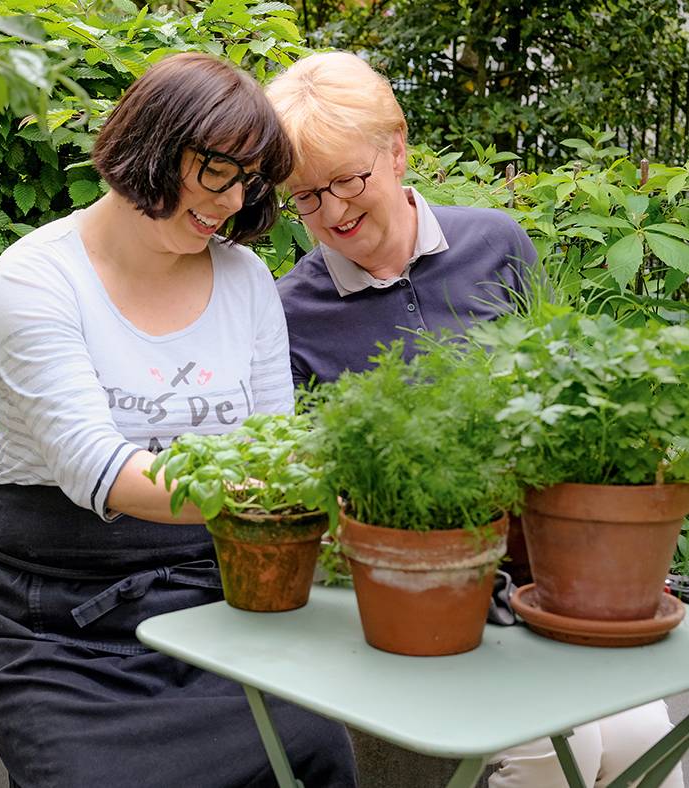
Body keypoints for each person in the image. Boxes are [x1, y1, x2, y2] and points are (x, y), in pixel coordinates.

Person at [266, 50, 683, 788]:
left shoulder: (498, 246)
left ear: (396, 150)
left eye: (350, 180)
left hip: (540, 579)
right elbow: (313, 491)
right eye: (306, 196)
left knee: (646, 737)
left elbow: (554, 402)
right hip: (418, 606)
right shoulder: (287, 311)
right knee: (560, 753)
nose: (333, 212)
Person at [0, 52, 359, 787]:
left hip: (216, 594)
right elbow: (95, 467)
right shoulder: (38, 276)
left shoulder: (244, 283)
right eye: (217, 170)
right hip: (56, 621)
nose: (233, 200)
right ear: (154, 145)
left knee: (313, 747)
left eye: (249, 180)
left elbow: (278, 441)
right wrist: (257, 491)